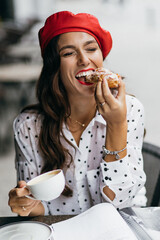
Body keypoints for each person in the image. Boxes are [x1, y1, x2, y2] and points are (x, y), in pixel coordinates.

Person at [8, 11, 147, 216]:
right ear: (54, 65)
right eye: (68, 53)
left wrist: (116, 124)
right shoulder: (28, 126)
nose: (84, 60)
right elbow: (38, 206)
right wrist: (25, 204)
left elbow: (121, 203)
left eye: (91, 49)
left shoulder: (130, 108)